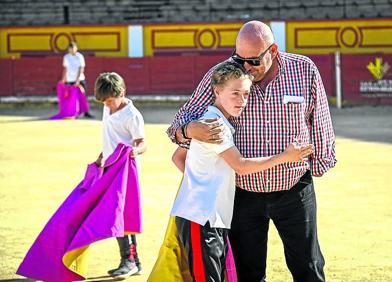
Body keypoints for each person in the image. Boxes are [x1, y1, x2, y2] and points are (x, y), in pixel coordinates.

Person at [167, 21, 336, 282]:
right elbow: (179, 124)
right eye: (239, 58)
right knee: (248, 273)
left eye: (254, 61)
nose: (245, 67)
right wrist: (188, 130)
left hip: (294, 188)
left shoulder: (304, 69)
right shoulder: (223, 75)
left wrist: (322, 161)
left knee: (309, 267)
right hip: (244, 195)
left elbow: (320, 117)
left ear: (274, 50)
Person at [94, 72, 147, 278]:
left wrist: (135, 151)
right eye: (104, 102)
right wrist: (102, 155)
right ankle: (134, 261)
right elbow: (111, 137)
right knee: (116, 215)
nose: (107, 105)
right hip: (109, 169)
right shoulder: (108, 107)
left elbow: (142, 143)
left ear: (121, 92)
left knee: (122, 216)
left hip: (125, 173)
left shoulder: (132, 115)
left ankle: (129, 261)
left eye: (109, 101)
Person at [62, 41, 94, 118]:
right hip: (70, 80)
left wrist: (78, 80)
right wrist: (64, 79)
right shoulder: (66, 57)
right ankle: (73, 112)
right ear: (68, 49)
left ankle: (86, 112)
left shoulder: (79, 56)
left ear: (76, 48)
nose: (72, 50)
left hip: (80, 79)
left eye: (73, 48)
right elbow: (65, 69)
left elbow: (81, 68)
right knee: (71, 97)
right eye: (70, 48)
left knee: (83, 96)